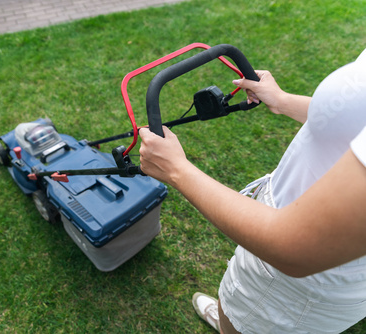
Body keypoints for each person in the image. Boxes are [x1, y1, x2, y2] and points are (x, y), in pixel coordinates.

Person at [138, 48, 366, 333]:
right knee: (235, 311)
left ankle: (235, 322)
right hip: (299, 267)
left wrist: (176, 169)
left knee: (240, 320)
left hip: (294, 287)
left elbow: (293, 248)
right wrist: (283, 101)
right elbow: (355, 117)